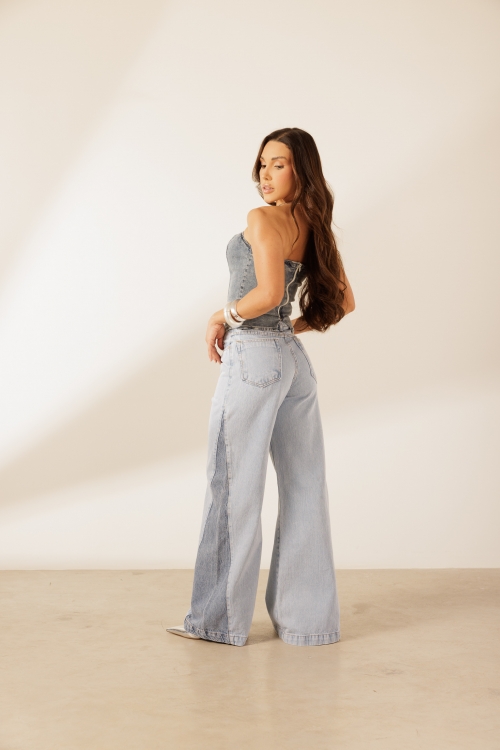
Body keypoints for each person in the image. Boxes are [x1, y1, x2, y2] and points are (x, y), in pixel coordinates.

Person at [167, 127, 355, 646]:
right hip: (292, 363)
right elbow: (343, 301)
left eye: (279, 164)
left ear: (302, 170)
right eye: (263, 164)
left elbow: (269, 293)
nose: (266, 175)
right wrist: (288, 330)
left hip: (252, 356)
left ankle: (216, 622)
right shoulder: (314, 227)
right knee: (305, 487)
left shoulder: (262, 219)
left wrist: (222, 315)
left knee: (232, 484)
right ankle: (308, 625)